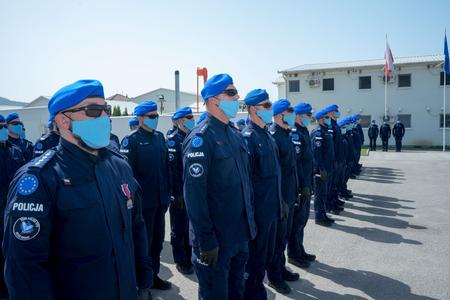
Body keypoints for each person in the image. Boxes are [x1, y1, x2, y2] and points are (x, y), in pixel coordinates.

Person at [3, 79, 152, 300]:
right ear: (63, 121)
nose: (104, 118)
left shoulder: (119, 166)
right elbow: (25, 267)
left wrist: (144, 281)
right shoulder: (41, 179)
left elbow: (136, 228)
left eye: (105, 110)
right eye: (93, 111)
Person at [183, 73, 256, 300]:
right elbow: (194, 196)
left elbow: (244, 184)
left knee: (237, 292)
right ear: (214, 100)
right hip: (216, 241)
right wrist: (205, 240)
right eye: (231, 93)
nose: (237, 98)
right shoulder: (201, 139)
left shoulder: (234, 135)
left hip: (239, 235)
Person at [120, 100, 172, 291]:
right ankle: (141, 283)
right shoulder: (131, 140)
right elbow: (126, 175)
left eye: (156, 116)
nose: (155, 119)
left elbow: (166, 168)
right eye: (151, 116)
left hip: (160, 201)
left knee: (157, 242)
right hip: (143, 204)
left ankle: (154, 276)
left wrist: (168, 194)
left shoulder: (159, 138)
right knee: (143, 244)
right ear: (140, 118)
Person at [242, 89, 282, 300]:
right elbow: (246, 183)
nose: (270, 109)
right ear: (252, 109)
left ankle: (258, 291)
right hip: (258, 213)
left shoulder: (266, 134)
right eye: (266, 106)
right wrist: (251, 217)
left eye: (270, 105)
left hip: (271, 209)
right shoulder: (248, 138)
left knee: (265, 258)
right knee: (254, 262)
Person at [266, 99, 299, 294]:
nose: (292, 116)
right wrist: (280, 201)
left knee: (284, 238)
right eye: (289, 112)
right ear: (279, 115)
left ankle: (281, 267)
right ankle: (274, 277)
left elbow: (290, 169)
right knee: (276, 241)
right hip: (279, 199)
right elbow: (275, 174)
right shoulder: (274, 137)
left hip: (289, 194)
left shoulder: (286, 134)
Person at [288, 102, 316, 268]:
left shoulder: (304, 131)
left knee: (303, 220)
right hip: (299, 185)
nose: (310, 118)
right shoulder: (295, 134)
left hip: (307, 183)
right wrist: (301, 186)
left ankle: (300, 249)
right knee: (296, 221)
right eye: (308, 115)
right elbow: (296, 164)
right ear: (298, 116)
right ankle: (293, 254)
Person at [167, 107, 195, 275]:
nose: (192, 120)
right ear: (180, 121)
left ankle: (189, 255)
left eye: (192, 117)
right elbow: (172, 170)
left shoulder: (193, 137)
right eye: (188, 117)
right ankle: (180, 259)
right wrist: (176, 193)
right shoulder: (172, 140)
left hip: (191, 191)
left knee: (189, 226)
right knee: (179, 227)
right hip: (179, 192)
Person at [0, 115, 25, 299]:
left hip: (13, 212)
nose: (2, 130)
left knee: (12, 254)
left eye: (2, 126)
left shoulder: (15, 151)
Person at [311, 109, 335, 227]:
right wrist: (320, 168)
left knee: (324, 193)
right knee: (319, 194)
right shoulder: (318, 132)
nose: (328, 119)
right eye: (326, 117)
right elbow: (316, 153)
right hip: (321, 170)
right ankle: (319, 217)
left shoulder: (325, 131)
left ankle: (323, 214)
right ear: (320, 119)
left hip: (327, 168)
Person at [324, 105, 345, 215]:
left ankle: (334, 200)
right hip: (334, 159)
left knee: (335, 183)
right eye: (335, 111)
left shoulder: (335, 124)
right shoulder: (330, 125)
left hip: (338, 158)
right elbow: (331, 145)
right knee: (331, 184)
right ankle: (330, 205)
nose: (337, 112)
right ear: (331, 113)